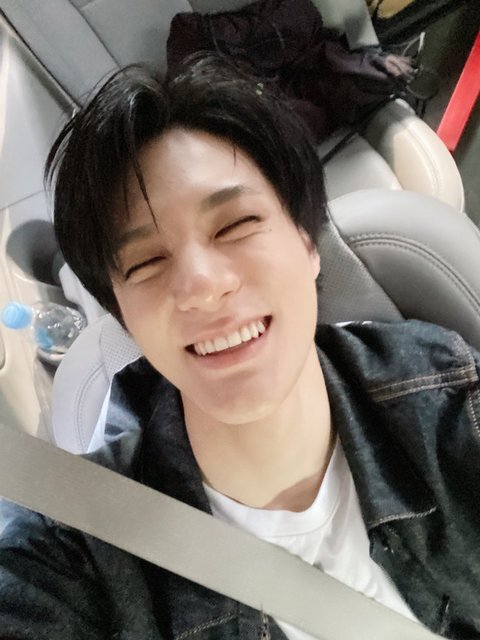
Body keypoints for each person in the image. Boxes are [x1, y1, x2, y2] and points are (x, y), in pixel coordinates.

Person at [0, 54, 479, 640]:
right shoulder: (78, 551)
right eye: (146, 262)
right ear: (124, 319)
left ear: (308, 243)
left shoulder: (452, 403)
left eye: (235, 225)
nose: (202, 286)